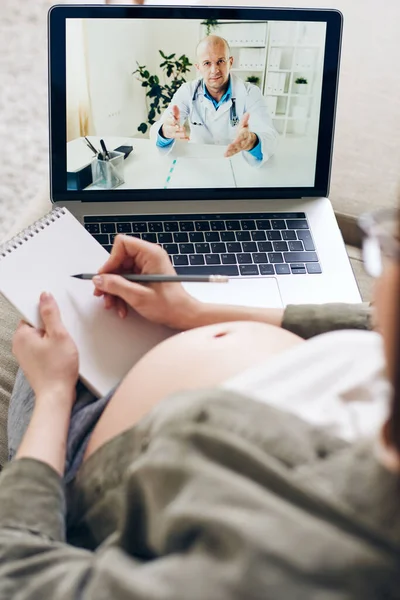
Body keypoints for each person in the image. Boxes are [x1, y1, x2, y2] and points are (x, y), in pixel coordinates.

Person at [0, 205, 399, 598]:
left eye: (393, 246)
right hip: (157, 360)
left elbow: (22, 575)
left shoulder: (299, 555)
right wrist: (191, 312)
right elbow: (371, 320)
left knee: (42, 317)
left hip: (84, 458)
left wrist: (54, 391)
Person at [150, 35, 278, 166]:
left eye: (221, 61)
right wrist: (165, 132)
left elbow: (269, 136)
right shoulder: (187, 91)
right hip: (199, 164)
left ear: (230, 62)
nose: (214, 70)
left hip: (237, 163)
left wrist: (252, 141)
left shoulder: (250, 93)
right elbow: (159, 129)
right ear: (198, 67)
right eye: (207, 63)